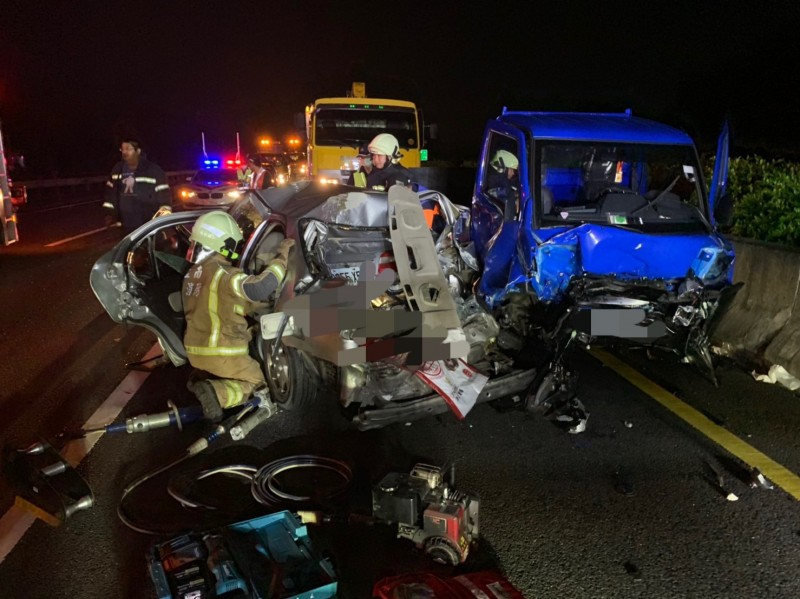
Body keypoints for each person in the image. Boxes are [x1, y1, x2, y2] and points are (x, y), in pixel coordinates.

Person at [182, 210, 295, 422]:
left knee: (250, 334)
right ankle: (217, 393)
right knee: (261, 386)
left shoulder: (191, 275)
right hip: (222, 352)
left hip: (195, 351)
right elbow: (261, 287)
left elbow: (221, 306)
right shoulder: (224, 274)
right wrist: (283, 256)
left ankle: (204, 376)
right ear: (223, 244)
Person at [103, 138, 171, 233]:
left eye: (128, 149)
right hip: (125, 225)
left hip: (148, 226)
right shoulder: (117, 170)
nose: (124, 152)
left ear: (138, 151)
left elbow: (165, 199)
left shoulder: (153, 170)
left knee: (151, 247)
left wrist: (160, 221)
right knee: (128, 248)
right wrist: (109, 214)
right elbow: (110, 195)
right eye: (122, 149)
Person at [486, 149, 520, 220]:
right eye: (511, 170)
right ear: (503, 168)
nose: (513, 173)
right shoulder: (495, 182)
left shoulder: (500, 182)